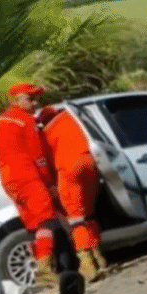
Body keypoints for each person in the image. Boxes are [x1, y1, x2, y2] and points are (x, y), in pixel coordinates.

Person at [0, 83, 59, 288]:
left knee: (33, 224)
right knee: (46, 219)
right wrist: (48, 183)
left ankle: (42, 269)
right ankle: (45, 270)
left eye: (35, 98)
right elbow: (37, 155)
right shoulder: (25, 120)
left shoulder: (1, 121)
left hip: (9, 181)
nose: (35, 103)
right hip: (27, 177)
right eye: (30, 99)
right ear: (16, 101)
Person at [38, 107, 107, 282]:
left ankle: (88, 266)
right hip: (89, 163)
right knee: (88, 214)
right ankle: (99, 259)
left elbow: (46, 161)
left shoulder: (47, 131)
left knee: (75, 219)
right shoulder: (72, 118)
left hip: (69, 169)